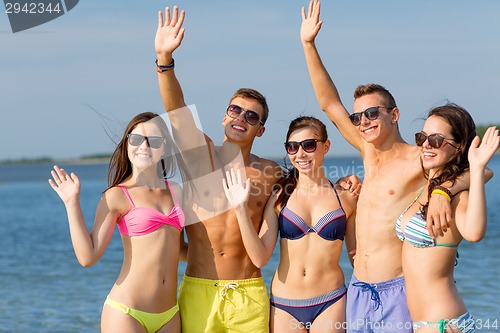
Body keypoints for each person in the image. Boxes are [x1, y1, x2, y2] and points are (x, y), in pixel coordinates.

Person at [298, 1, 486, 332]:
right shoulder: (367, 153)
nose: (364, 121)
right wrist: (308, 45)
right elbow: (329, 104)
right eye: (358, 117)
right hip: (359, 289)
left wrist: (443, 189)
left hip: (397, 290)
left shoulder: (421, 155)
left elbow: (480, 169)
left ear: (393, 114)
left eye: (373, 113)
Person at [154, 6, 283, 332]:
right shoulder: (200, 156)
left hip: (249, 294)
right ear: (224, 117)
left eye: (251, 116)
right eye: (235, 110)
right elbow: (176, 108)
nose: (241, 118)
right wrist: (164, 60)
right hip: (199, 289)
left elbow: (309, 187)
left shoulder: (271, 174)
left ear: (260, 130)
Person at [48, 112, 189, 333]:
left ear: (164, 147)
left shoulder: (177, 191)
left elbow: (181, 251)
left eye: (153, 141)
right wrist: (71, 203)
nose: (144, 146)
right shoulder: (117, 195)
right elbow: (88, 257)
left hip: (169, 314)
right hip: (127, 312)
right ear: (126, 145)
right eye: (135, 139)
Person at [223, 116, 359, 333]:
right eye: (293, 147)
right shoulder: (279, 196)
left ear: (326, 146)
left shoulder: (346, 197)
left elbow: (357, 259)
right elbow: (260, 257)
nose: (301, 154)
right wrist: (240, 210)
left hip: (331, 300)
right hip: (285, 304)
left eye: (309, 145)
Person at [397, 104, 498, 332]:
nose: (425, 145)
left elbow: (473, 233)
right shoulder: (426, 190)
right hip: (421, 323)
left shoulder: (457, 197)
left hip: (443, 324)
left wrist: (478, 165)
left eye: (436, 140)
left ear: (458, 146)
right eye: (422, 137)